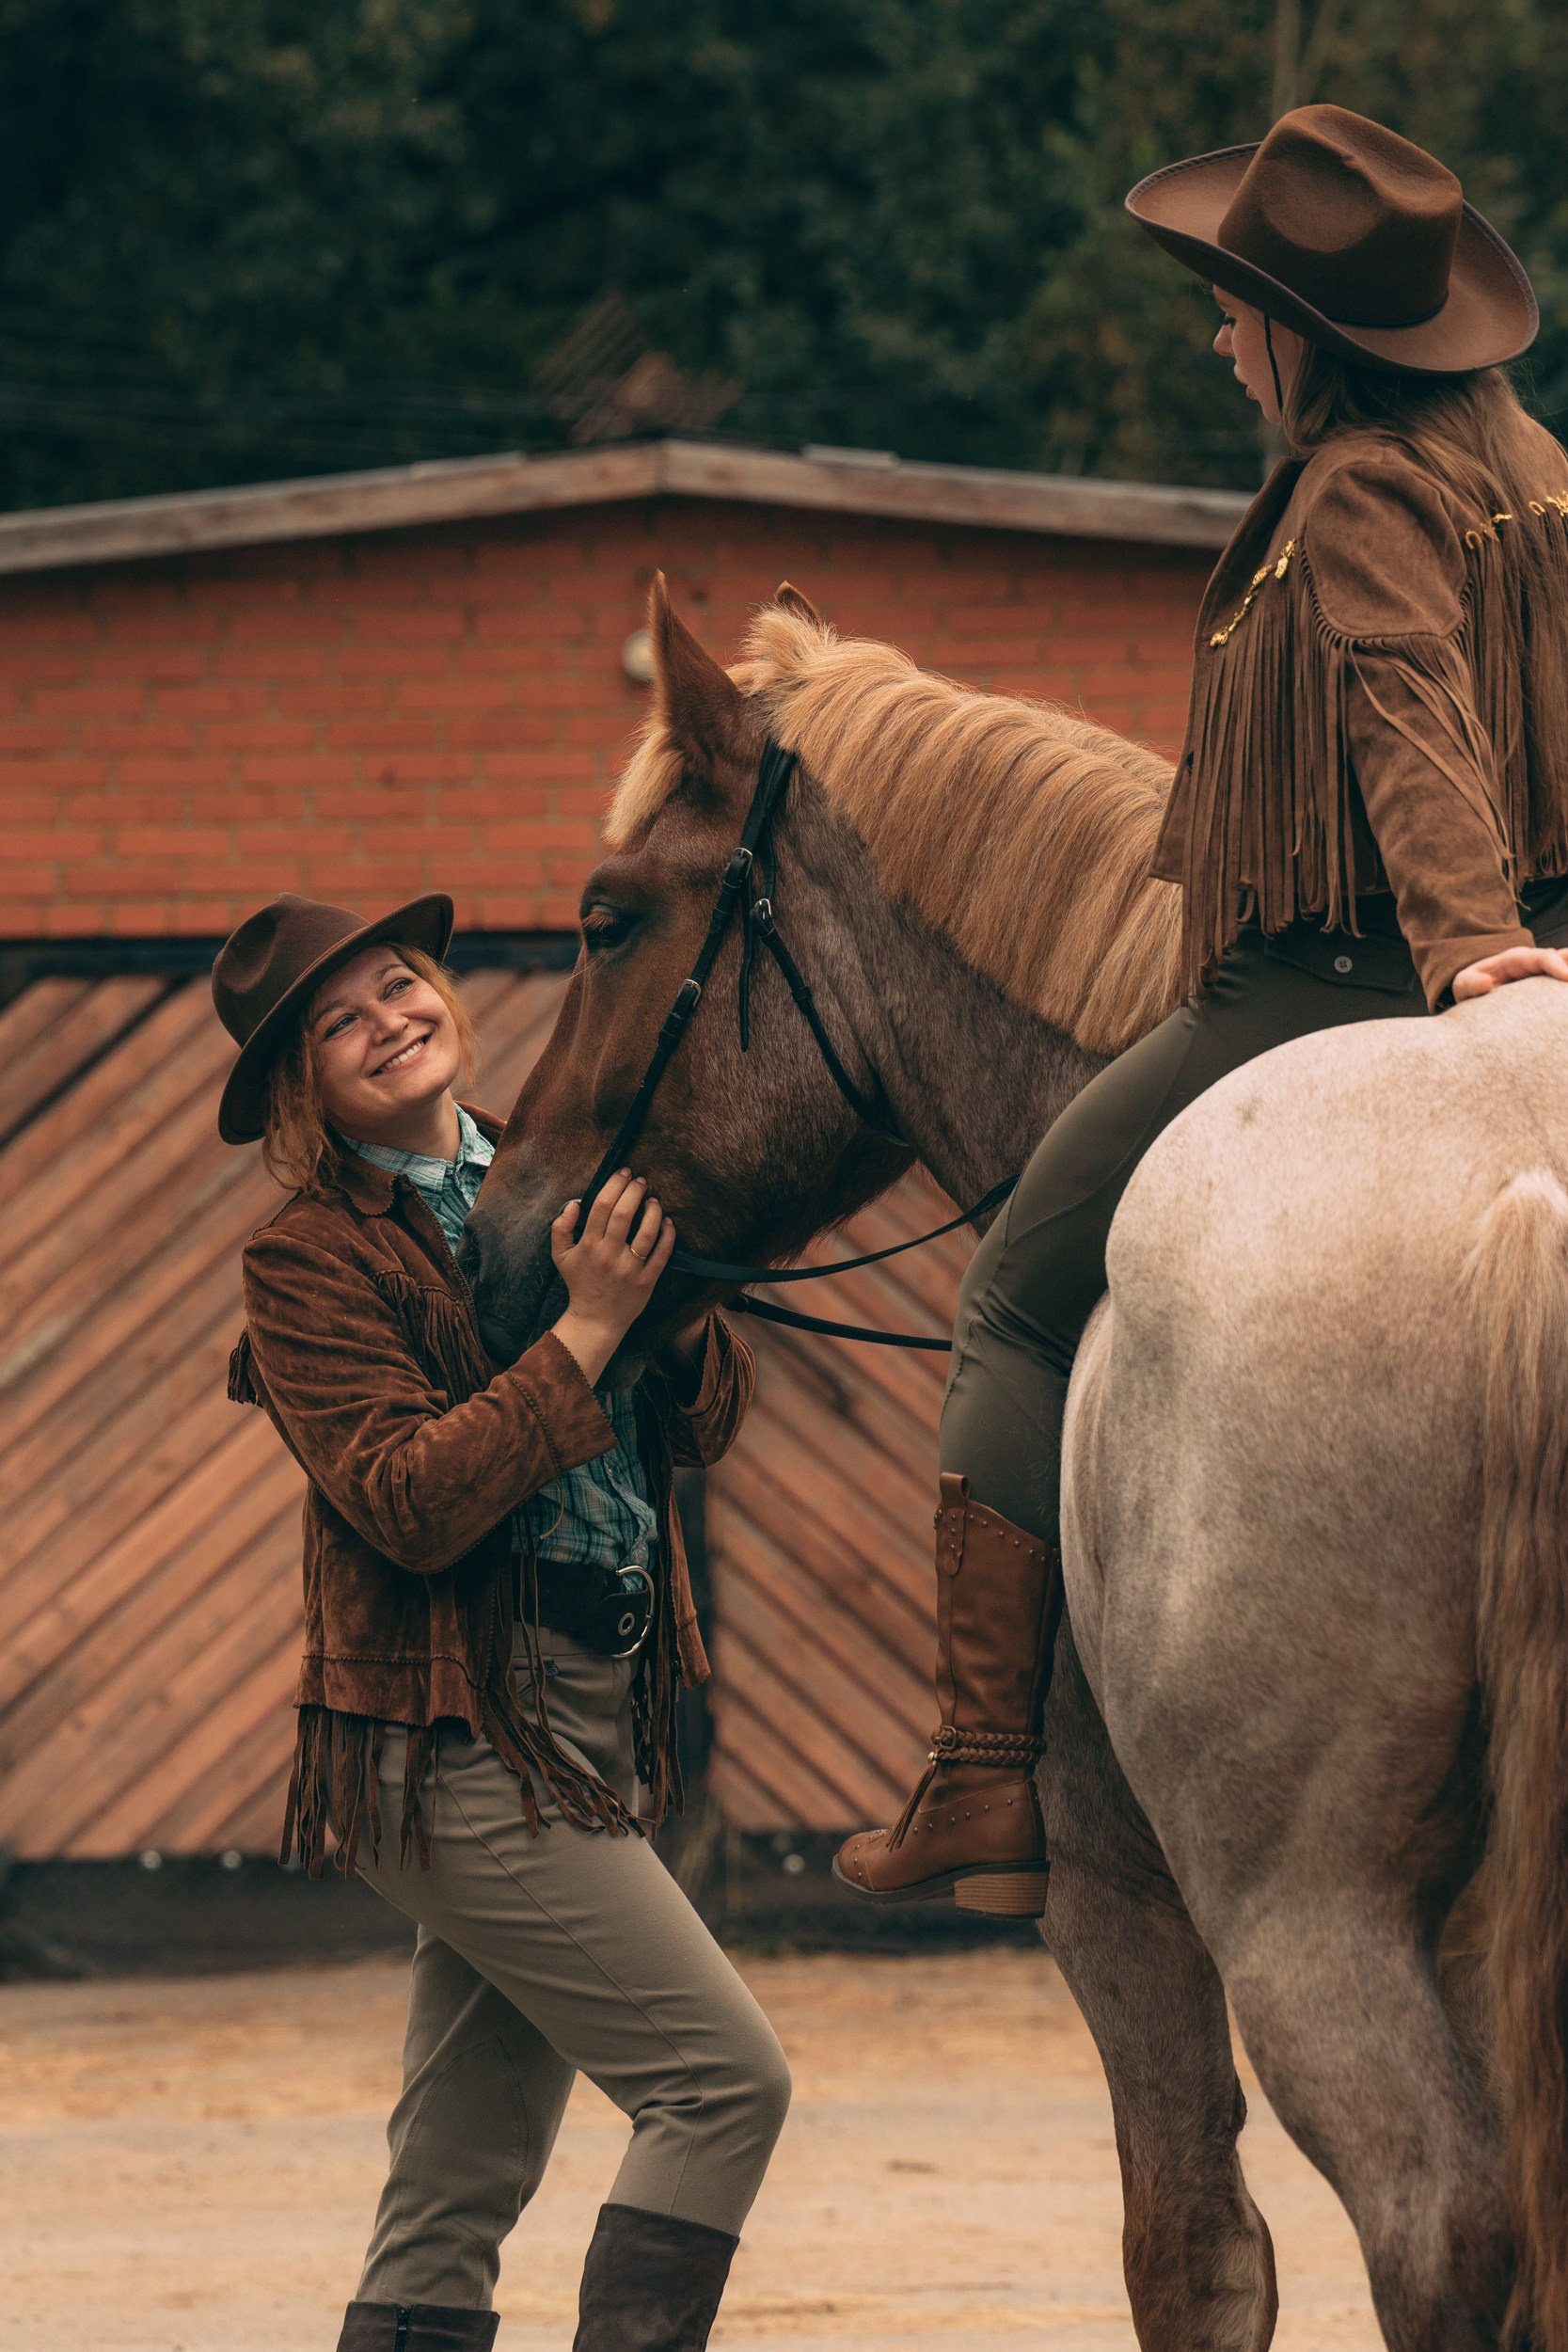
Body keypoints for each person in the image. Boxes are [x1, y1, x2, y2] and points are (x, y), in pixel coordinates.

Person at [835, 103, 1568, 1916]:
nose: (1216, 336)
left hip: (1327, 976)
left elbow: (1403, 703)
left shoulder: (1358, 489)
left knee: (1013, 1296)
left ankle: (980, 1773)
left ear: (1308, 338)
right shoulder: (1536, 467)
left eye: (1235, 311)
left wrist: (1468, 944)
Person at [212, 891, 790, 2352]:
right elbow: (407, 1498)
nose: (388, 1022)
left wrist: (665, 1307)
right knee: (721, 2085)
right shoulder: (305, 1261)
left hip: (596, 1704)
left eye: (400, 985)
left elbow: (705, 1427)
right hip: (449, 1728)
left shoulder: (549, 1173)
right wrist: (587, 1327)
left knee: (451, 2191)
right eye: (338, 1023)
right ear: (299, 1087)